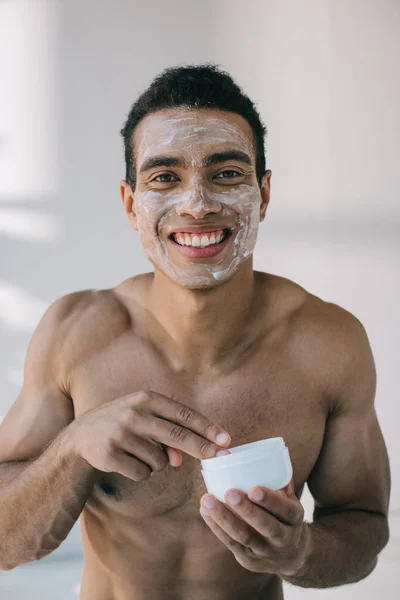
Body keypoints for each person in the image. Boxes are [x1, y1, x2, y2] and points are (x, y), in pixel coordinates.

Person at [0, 63, 391, 600]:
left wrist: (300, 551)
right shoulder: (75, 333)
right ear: (132, 204)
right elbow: (5, 545)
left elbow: (364, 527)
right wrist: (73, 447)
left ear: (264, 193)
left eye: (226, 173)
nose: (198, 203)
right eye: (165, 177)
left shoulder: (329, 342)